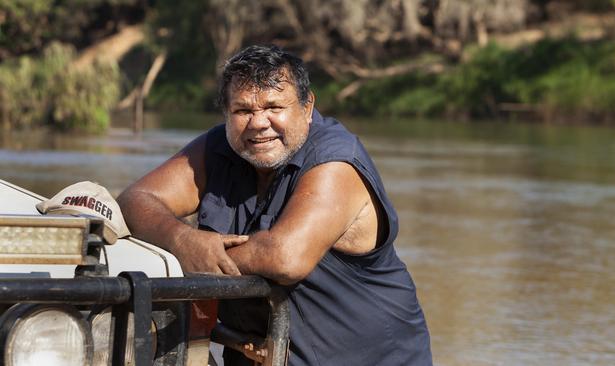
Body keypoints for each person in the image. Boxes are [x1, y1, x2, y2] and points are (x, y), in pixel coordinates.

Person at [117, 44, 432, 366]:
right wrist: (182, 240)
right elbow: (135, 199)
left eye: (274, 107)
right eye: (243, 111)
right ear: (226, 114)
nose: (258, 123)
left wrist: (196, 255)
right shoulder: (218, 147)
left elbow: (285, 258)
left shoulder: (336, 159)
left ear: (307, 108)